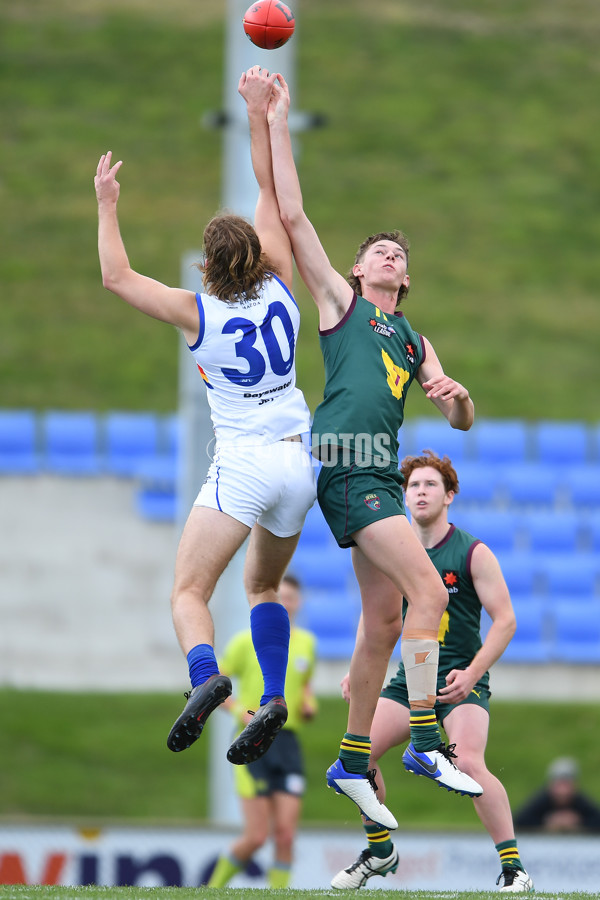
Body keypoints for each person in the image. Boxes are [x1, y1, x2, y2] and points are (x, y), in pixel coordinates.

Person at [262, 71, 482, 830]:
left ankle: (353, 760)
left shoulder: (415, 337)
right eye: (377, 250)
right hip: (350, 465)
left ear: (406, 277)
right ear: (357, 271)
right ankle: (423, 738)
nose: (388, 255)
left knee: (384, 624)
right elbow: (291, 214)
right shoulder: (341, 305)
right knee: (431, 595)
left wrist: (456, 399)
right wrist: (274, 118)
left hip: (379, 471)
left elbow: (460, 420)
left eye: (396, 253)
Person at [94, 65, 316, 766]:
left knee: (190, 591)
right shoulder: (283, 281)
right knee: (263, 585)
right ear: (254, 251)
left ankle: (205, 677)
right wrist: (260, 113)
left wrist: (107, 203)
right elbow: (271, 192)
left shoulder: (198, 311)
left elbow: (116, 278)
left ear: (207, 267)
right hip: (298, 461)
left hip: (245, 464)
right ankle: (274, 695)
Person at [332, 451, 533, 893]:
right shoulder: (393, 551)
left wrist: (473, 672)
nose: (419, 492)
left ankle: (514, 868)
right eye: (413, 486)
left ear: (449, 496)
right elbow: (376, 619)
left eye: (429, 485)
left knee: (469, 763)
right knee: (355, 759)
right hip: (410, 683)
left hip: (461, 680)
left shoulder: (473, 552)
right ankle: (380, 851)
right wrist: (359, 671)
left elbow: (506, 621)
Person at [207, 573, 317, 889]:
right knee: (257, 836)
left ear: (298, 603)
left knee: (285, 833)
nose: (287, 603)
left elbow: (304, 684)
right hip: (251, 738)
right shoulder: (245, 641)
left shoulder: (307, 644)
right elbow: (215, 686)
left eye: (292, 597)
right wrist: (240, 709)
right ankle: (210, 891)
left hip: (287, 742)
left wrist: (308, 703)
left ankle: (278, 894)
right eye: (280, 596)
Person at [514, 756, 600, 833]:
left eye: (566, 784)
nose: (562, 791)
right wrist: (546, 823)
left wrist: (579, 823)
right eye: (559, 784)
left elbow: (596, 820)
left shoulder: (581, 801)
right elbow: (519, 822)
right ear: (550, 785)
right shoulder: (542, 800)